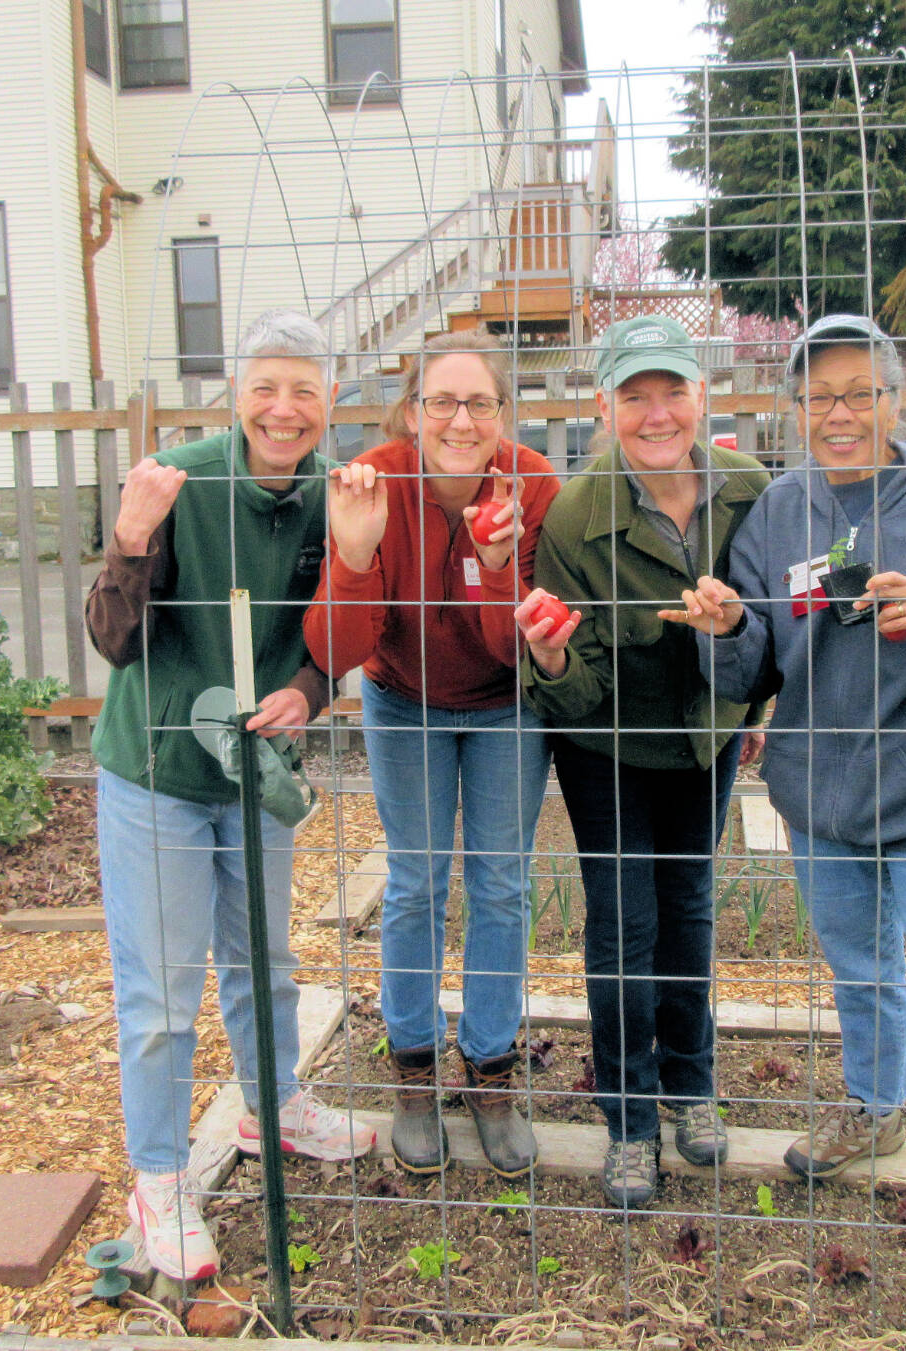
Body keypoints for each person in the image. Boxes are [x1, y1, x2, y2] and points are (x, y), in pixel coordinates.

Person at [673, 314, 906, 1350]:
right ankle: (876, 1104)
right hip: (821, 804)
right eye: (817, 398)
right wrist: (725, 629)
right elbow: (752, 660)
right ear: (793, 410)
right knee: (856, 970)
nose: (837, 414)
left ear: (895, 398)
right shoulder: (782, 511)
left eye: (858, 392)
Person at [87, 310, 375, 1283]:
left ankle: (273, 1101)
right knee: (163, 993)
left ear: (328, 399)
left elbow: (332, 629)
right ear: (236, 395)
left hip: (253, 767)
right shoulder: (179, 482)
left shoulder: (328, 499)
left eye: (304, 388)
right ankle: (160, 1181)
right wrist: (128, 541)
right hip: (159, 771)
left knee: (266, 956)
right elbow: (113, 641)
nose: (284, 408)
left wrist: (305, 688)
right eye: (265, 387)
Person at [514, 315, 771, 1209]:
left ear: (702, 396)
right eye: (635, 397)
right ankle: (628, 1116)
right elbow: (574, 687)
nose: (657, 414)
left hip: (706, 738)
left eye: (673, 392)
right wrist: (549, 659)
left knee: (691, 905)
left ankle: (691, 1084)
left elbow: (772, 624)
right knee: (623, 923)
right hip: (609, 747)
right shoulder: (580, 515)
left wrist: (756, 699)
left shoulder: (747, 488)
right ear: (605, 405)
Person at [303, 330, 559, 1178]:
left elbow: (510, 650)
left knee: (502, 880)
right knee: (414, 879)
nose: (460, 418)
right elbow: (340, 646)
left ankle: (489, 1068)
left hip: (502, 706)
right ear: (412, 411)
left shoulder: (535, 484)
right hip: (402, 695)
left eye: (479, 402)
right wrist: (357, 550)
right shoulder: (372, 479)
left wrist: (493, 565)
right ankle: (413, 1066)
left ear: (502, 414)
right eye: (440, 401)